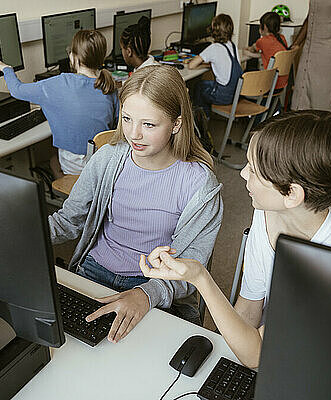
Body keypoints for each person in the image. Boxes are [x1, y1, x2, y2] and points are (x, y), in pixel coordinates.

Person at [140, 110, 331, 368]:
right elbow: (250, 306)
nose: (242, 174)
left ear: (291, 194)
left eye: (254, 170)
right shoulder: (268, 211)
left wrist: (200, 278)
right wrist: (224, 361)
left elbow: (258, 358)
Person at [49, 65, 223, 343]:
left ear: (176, 124)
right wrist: (24, 230)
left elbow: (188, 267)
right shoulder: (108, 158)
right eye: (127, 119)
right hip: (93, 270)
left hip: (153, 284)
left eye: (149, 124)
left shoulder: (199, 185)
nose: (134, 134)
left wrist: (146, 294)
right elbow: (68, 221)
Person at [0, 30, 119, 179]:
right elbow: (115, 125)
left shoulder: (58, 84)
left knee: (52, 161)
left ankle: (71, 197)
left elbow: (17, 90)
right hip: (103, 160)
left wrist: (7, 69)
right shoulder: (109, 85)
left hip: (76, 163)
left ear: (73, 57)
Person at [188, 14, 242, 117]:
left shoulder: (214, 48)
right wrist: (210, 65)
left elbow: (191, 65)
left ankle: (202, 119)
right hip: (235, 94)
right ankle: (205, 117)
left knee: (199, 87)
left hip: (223, 97)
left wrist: (204, 65)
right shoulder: (232, 46)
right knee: (205, 84)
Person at [244, 11, 289, 91]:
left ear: (264, 27)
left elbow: (251, 49)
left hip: (270, 83)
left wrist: (246, 50)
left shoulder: (262, 41)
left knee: (245, 75)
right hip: (282, 82)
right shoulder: (282, 38)